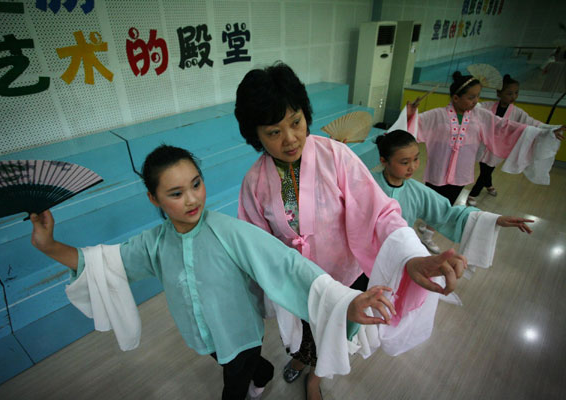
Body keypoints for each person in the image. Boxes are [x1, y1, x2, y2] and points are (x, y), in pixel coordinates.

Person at [29, 144, 398, 400]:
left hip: (239, 334)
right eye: (175, 193)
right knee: (231, 361)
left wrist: (345, 302)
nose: (192, 199)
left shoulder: (230, 232)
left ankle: (255, 376)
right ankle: (264, 373)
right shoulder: (154, 243)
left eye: (195, 184)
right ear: (153, 198)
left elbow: (286, 265)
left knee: (232, 385)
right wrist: (49, 245)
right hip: (201, 335)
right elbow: (105, 264)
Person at [235, 62, 467, 400]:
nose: (290, 139)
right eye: (273, 132)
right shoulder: (254, 183)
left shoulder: (336, 157)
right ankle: (303, 359)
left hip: (345, 276)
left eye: (296, 122)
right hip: (301, 284)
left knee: (340, 329)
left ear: (305, 114)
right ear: (255, 134)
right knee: (308, 331)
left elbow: (379, 213)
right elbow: (255, 248)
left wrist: (412, 258)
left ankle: (316, 377)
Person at [394, 71, 564, 253]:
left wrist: (545, 132)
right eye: (471, 97)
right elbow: (410, 129)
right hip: (437, 171)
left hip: (460, 173)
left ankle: (427, 235)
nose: (475, 101)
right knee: (429, 203)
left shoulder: (480, 116)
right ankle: (421, 228)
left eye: (478, 97)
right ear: (456, 98)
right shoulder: (437, 115)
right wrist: (409, 115)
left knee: (447, 206)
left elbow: (505, 127)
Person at [373, 130, 533, 276]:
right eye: (404, 162)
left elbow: (448, 214)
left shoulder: (417, 192)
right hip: (363, 249)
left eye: (416, 159)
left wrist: (493, 220)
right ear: (384, 161)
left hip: (396, 253)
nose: (412, 167)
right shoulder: (368, 185)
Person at [468, 74, 562, 205]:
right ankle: (488, 185)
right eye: (509, 93)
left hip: (499, 149)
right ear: (499, 93)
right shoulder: (487, 106)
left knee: (487, 170)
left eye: (516, 93)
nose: (513, 97)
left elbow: (534, 123)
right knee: (486, 169)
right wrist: (475, 91)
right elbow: (474, 107)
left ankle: (473, 194)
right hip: (484, 145)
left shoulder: (517, 112)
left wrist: (552, 129)